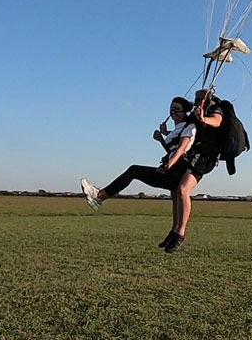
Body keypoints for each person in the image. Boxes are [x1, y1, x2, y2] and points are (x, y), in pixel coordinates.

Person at [80, 97, 197, 253]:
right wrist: (162, 139)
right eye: (171, 109)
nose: (172, 112)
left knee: (134, 170)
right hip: (173, 169)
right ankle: (174, 233)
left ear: (184, 112)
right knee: (173, 197)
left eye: (176, 109)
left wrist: (168, 164)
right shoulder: (178, 129)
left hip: (177, 171)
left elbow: (182, 149)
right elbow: (172, 151)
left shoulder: (188, 127)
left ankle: (100, 196)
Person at [167, 88, 224, 253]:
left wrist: (203, 118)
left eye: (200, 97)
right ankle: (174, 230)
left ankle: (180, 233)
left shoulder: (214, 107)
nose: (197, 100)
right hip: (195, 154)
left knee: (183, 189)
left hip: (206, 156)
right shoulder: (196, 110)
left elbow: (217, 121)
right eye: (196, 98)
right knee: (175, 191)